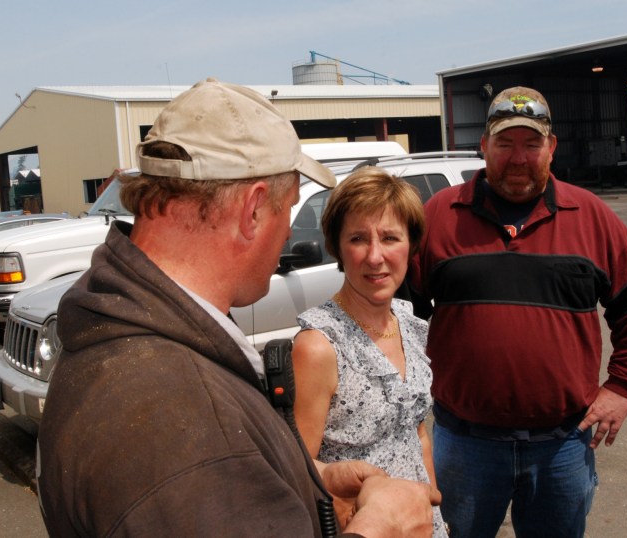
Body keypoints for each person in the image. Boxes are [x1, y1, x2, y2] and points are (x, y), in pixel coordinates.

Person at [36, 78, 436, 538]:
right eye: (288, 209)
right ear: (253, 209)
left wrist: (312, 479)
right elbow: (206, 469)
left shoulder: (119, 326)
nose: (288, 233)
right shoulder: (182, 420)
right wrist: (379, 527)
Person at [409, 86, 627, 537]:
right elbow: (400, 312)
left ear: (551, 148)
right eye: (505, 143)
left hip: (562, 445)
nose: (519, 157)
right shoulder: (440, 216)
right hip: (465, 443)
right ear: (484, 146)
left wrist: (624, 387)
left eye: (531, 143)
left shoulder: (591, 216)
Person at [291, 167, 449, 537]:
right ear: (338, 248)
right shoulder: (319, 345)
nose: (375, 256)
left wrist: (435, 509)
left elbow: (417, 433)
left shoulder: (411, 326)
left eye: (390, 237)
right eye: (358, 239)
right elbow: (295, 467)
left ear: (411, 244)